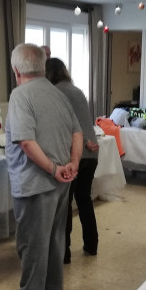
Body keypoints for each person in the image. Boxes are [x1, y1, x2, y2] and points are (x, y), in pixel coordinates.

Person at [0, 44, 81, 290]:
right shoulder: (58, 94)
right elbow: (77, 134)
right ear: (43, 67)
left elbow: (25, 142)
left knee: (32, 241)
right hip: (60, 183)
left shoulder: (20, 95)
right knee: (55, 237)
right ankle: (53, 287)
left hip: (35, 182)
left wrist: (53, 168)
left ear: (15, 70)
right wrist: (72, 164)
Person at [45, 58, 99, 263]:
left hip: (74, 153)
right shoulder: (76, 90)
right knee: (85, 199)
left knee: (65, 203)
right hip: (91, 153)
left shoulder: (55, 93)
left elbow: (66, 127)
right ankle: (91, 244)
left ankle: (64, 252)